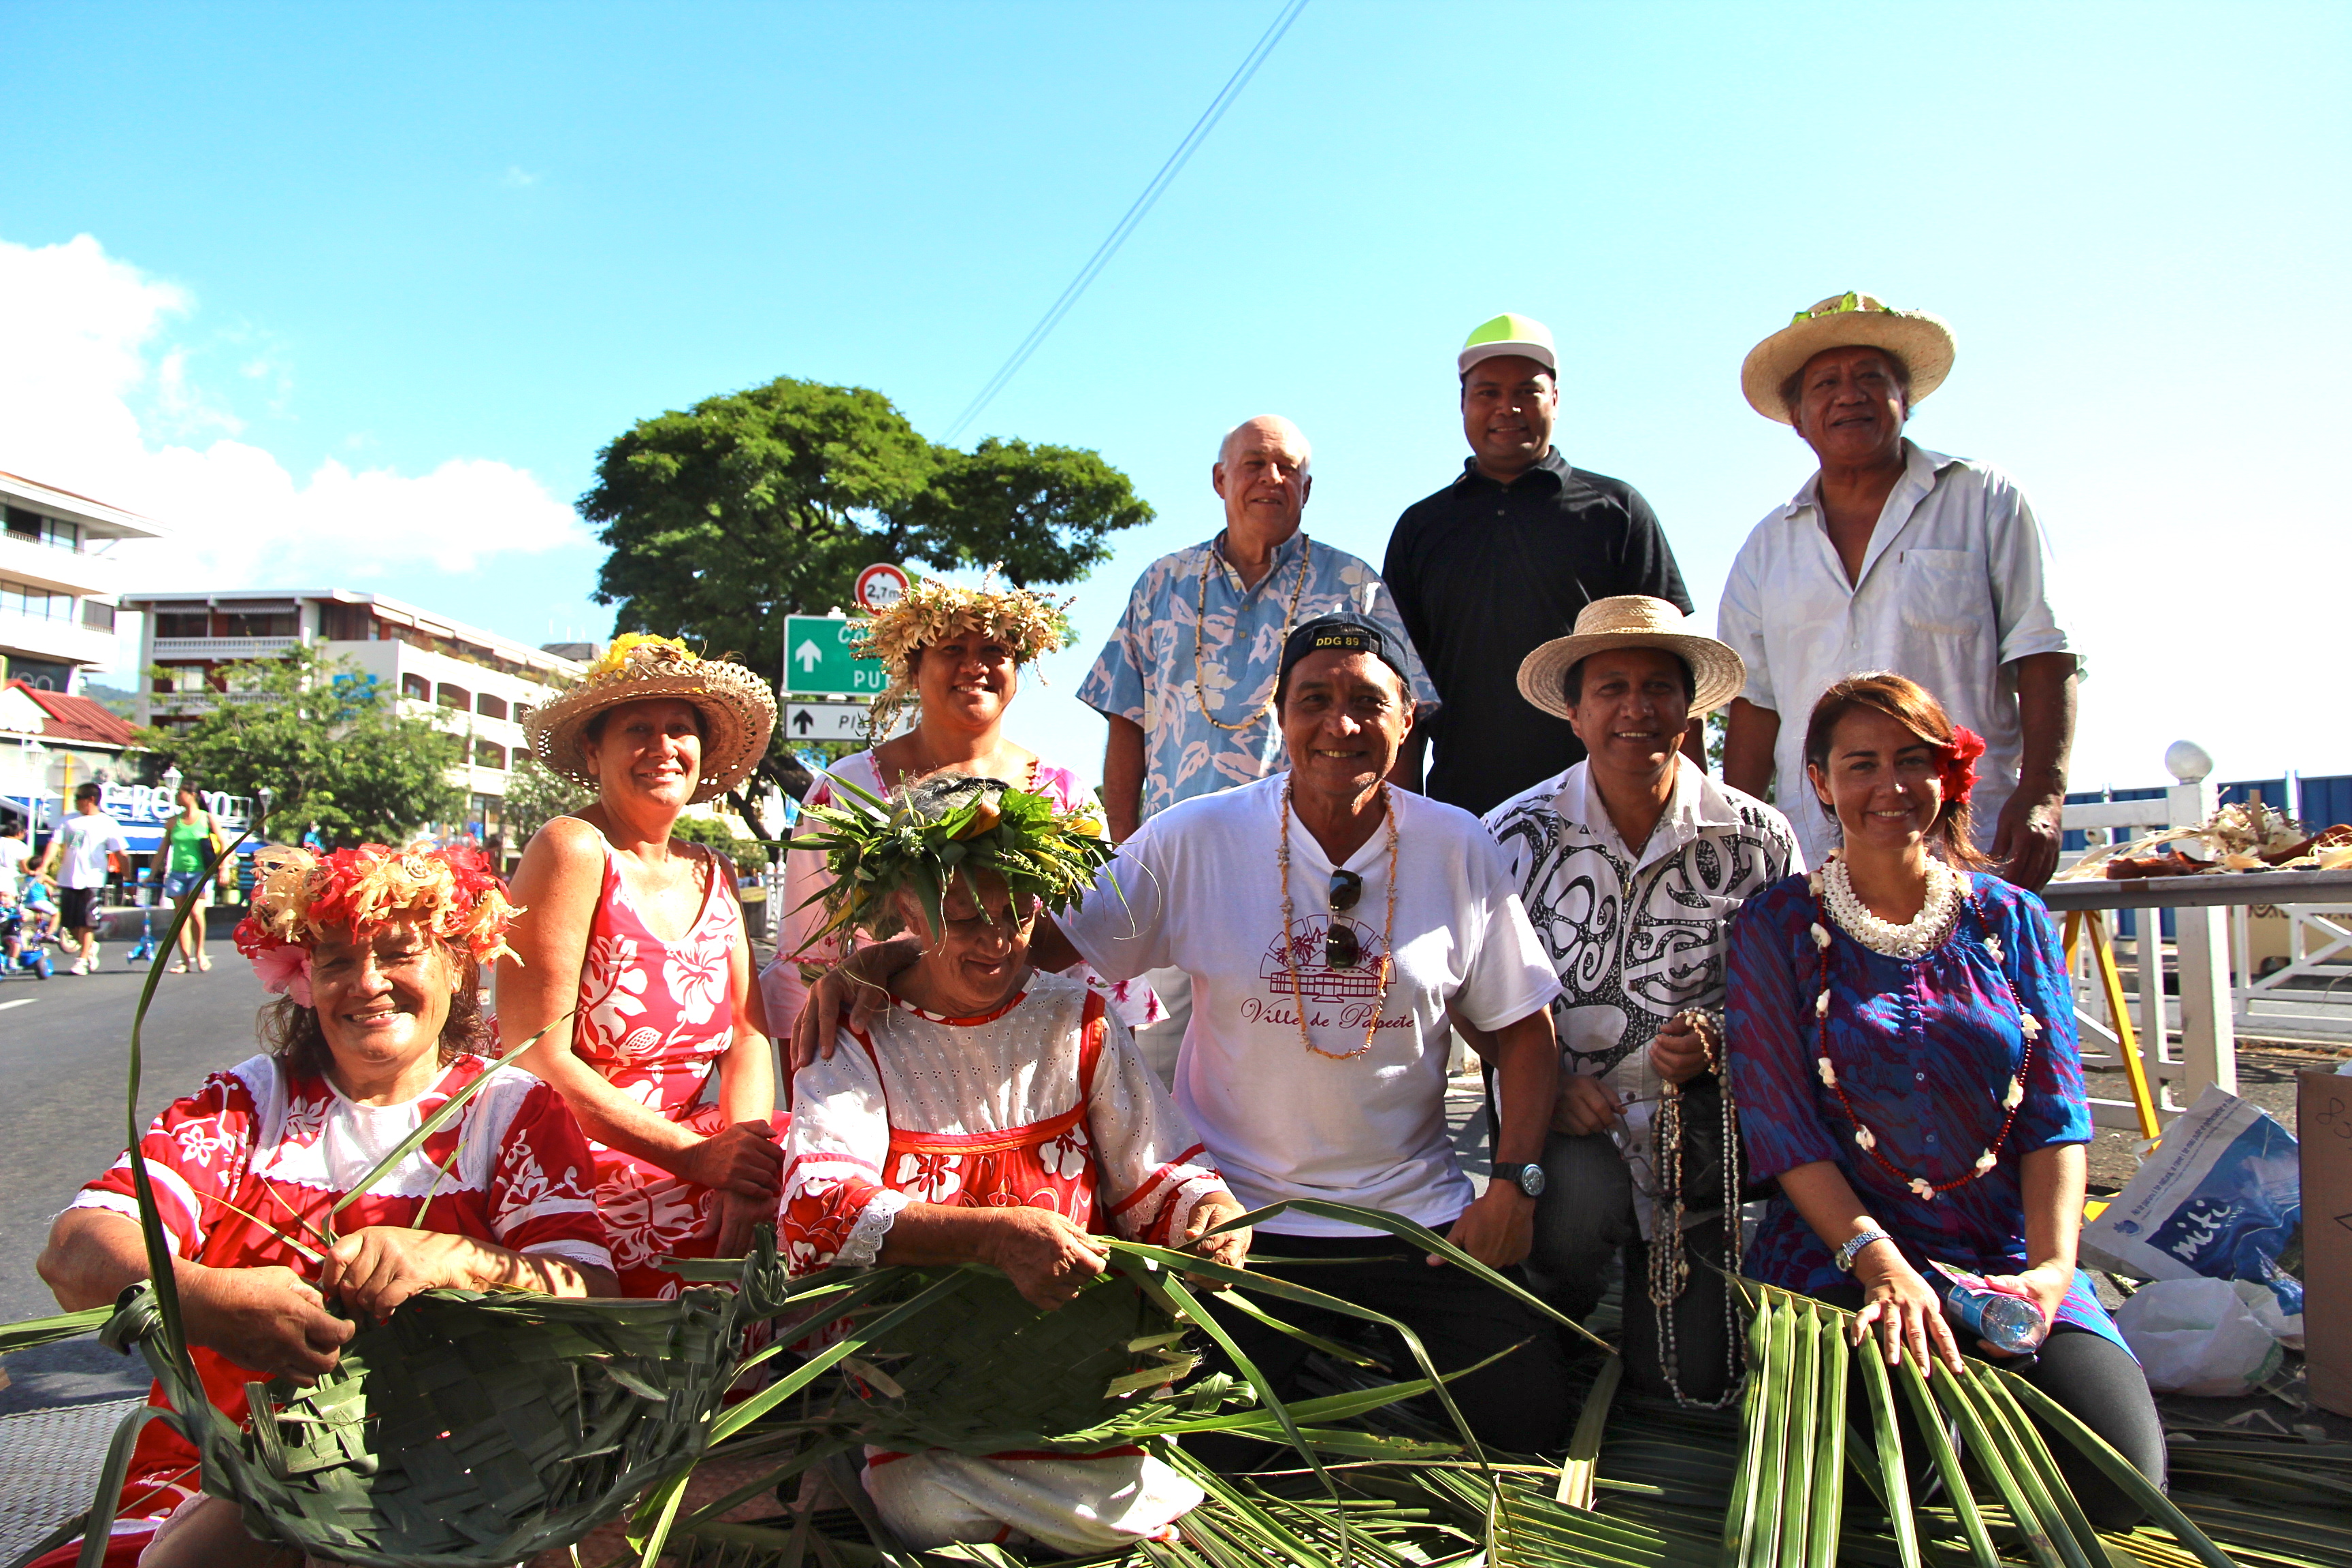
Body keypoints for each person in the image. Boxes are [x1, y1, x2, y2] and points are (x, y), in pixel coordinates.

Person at [812, 612, 1573, 1454]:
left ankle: (1357, 1370)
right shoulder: (1196, 836)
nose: (1340, 725)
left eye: (1367, 702)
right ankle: (1328, 1373)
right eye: (1313, 701)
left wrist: (1515, 1185)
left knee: (1528, 1420)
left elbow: (1525, 1031)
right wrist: (889, 959)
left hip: (1418, 1221)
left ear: (1407, 718)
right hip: (1239, 1222)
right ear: (1278, 715)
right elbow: (1038, 944)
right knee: (1219, 1449)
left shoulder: (1457, 843)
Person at [34, 842, 616, 1568]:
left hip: (454, 1491)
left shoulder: (511, 1112)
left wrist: (459, 1261)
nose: (368, 983)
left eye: (400, 954)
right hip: (211, 1481)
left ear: (458, 967)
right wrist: (206, 1299)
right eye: (337, 961)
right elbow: (74, 1254)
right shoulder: (249, 1106)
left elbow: (591, 1296)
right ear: (304, 979)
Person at [1726, 672, 2161, 1529]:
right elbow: (1782, 1132)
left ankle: (1993, 1389)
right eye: (1861, 765)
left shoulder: (2013, 919)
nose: (1890, 786)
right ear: (1819, 782)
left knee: (2121, 1485)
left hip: (2005, 1252)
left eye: (1912, 761)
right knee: (1882, 1484)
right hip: (1842, 1256)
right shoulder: (1774, 926)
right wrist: (1883, 1267)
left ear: (1947, 773)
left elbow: (2057, 1116)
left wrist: (2051, 1271)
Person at [785, 772, 1247, 1552]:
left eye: (1018, 914)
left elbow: (1156, 1170)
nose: (997, 941)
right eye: (965, 919)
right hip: (933, 1411)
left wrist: (1209, 1214)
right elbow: (815, 1206)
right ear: (904, 911)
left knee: (1101, 1488)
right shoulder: (860, 1031)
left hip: (1080, 1392)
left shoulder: (1077, 1019)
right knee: (925, 1504)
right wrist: (991, 1236)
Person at [1481, 596, 1799, 1405]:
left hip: (1700, 1142)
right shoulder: (1510, 836)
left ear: (1689, 712)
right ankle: (1560, 1309)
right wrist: (1547, 1086)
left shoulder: (1759, 840)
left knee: (1695, 1387)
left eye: (1659, 687)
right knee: (1575, 1213)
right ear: (1576, 714)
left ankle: (1663, 1314)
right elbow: (1470, 998)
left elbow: (1792, 997)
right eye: (1611, 689)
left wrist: (1719, 1038)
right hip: (1563, 1129)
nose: (1636, 709)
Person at [1079, 415, 1437, 1079]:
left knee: (1296, 1070)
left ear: (1308, 488)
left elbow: (1400, 726)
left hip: (1310, 877)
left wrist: (1390, 856)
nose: (1271, 479)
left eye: (1287, 468)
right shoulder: (1161, 583)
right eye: (1254, 464)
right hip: (1173, 873)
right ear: (1221, 480)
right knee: (1153, 1074)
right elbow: (1126, 722)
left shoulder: (1353, 585)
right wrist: (1127, 856)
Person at [1718, 292, 2079, 888]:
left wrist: (2043, 793)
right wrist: (1739, 839)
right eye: (1825, 384)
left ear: (1905, 401)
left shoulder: (1982, 499)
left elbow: (2044, 650)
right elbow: (1754, 707)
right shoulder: (1765, 548)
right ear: (1798, 419)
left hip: (1968, 841)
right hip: (1813, 853)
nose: (1849, 395)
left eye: (1870, 377)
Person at [761, 576, 1158, 1043]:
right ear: (913, 669)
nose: (975, 666)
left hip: (1037, 1053)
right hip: (884, 1049)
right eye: (952, 649)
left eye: (995, 650)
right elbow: (806, 961)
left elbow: (1098, 948)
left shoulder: (1064, 796)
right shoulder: (843, 794)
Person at [505, 634, 783, 1298]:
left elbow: (748, 1037)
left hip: (705, 1145)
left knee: (829, 1189)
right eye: (637, 730)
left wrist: (742, 1159)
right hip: (583, 1152)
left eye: (679, 729)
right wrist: (696, 1158)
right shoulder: (573, 849)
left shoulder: (713, 869)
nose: (662, 747)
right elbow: (536, 1053)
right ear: (593, 751)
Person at [1384, 314, 1695, 818]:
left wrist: (1691, 808)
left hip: (1604, 810)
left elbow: (1676, 665)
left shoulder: (1616, 510)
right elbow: (1402, 692)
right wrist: (1403, 823)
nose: (1507, 408)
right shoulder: (1420, 528)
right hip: (1463, 811)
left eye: (1527, 392)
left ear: (1556, 399)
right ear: (1463, 404)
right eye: (1487, 392)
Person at [32, 781, 127, 975]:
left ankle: (82, 960)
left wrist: (127, 874)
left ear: (91, 799)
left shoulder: (107, 823)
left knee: (87, 921)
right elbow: (54, 844)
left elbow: (120, 851)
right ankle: (89, 947)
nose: (75, 801)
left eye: (78, 798)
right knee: (69, 924)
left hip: (92, 880)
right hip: (68, 878)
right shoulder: (68, 821)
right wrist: (44, 866)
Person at [151, 783, 221, 973]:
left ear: (192, 795)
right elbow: (163, 849)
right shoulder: (173, 821)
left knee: (197, 913)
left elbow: (224, 844)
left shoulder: (207, 819)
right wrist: (152, 873)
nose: (176, 796)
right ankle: (184, 960)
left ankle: (200, 953)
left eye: (180, 793)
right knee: (180, 918)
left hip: (201, 873)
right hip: (177, 873)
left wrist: (223, 868)